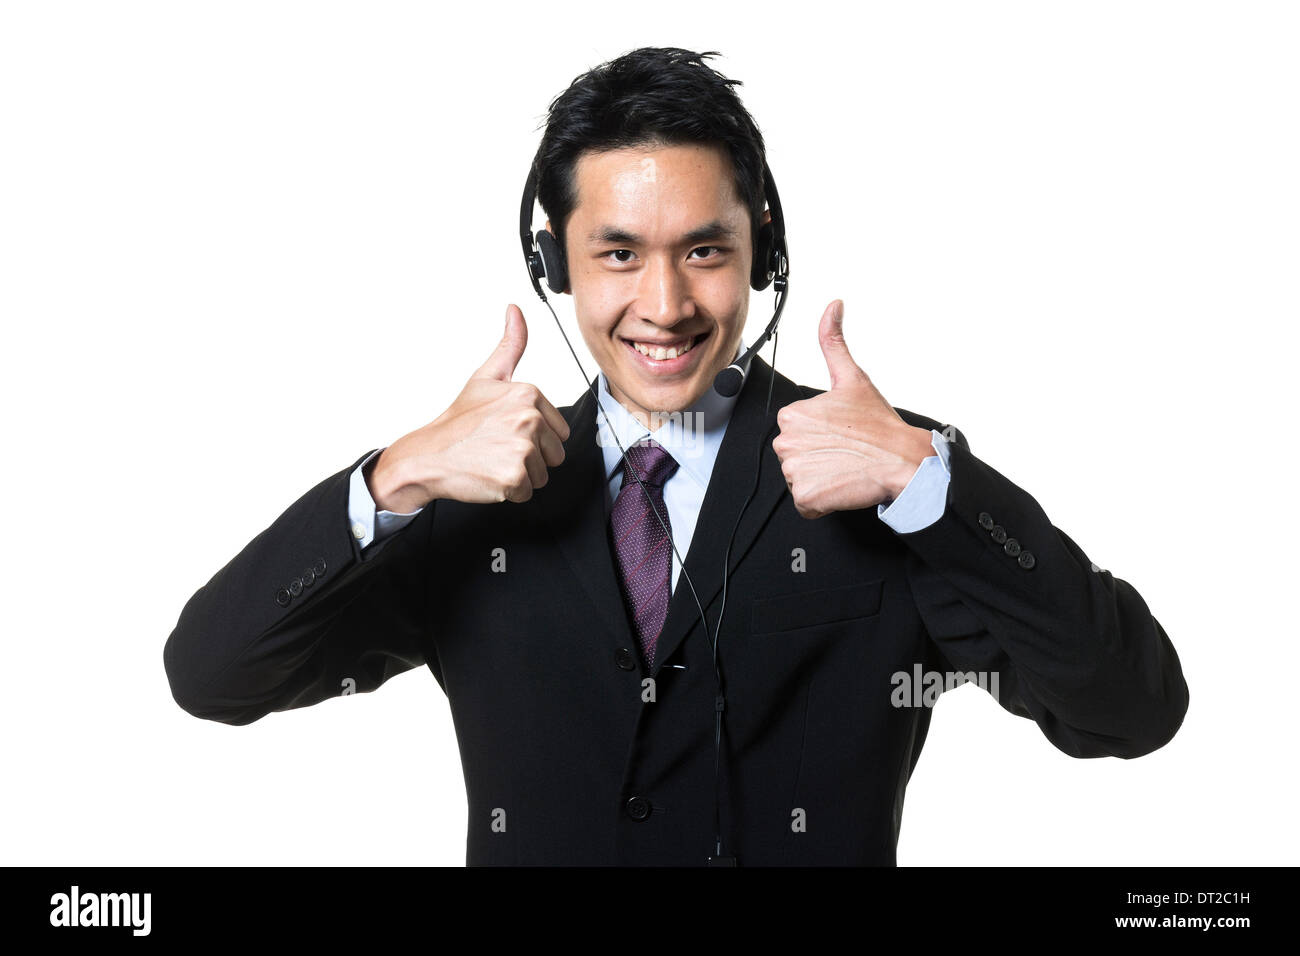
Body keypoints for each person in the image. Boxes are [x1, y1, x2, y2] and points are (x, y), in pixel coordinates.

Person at [164, 47, 1188, 866]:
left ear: (763, 253)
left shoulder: (884, 479)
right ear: (551, 260)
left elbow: (1131, 705)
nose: (664, 305)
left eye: (704, 249)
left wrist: (936, 485)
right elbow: (215, 673)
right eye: (617, 253)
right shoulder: (472, 498)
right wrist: (392, 478)